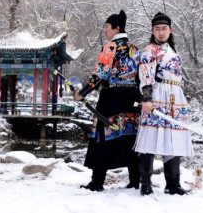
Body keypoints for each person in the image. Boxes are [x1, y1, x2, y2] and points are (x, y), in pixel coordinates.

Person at [74, 10, 143, 191]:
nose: (105, 30)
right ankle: (135, 181)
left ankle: (97, 183)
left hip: (112, 98)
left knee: (103, 136)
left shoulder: (110, 47)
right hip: (133, 98)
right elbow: (141, 77)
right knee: (131, 138)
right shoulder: (135, 49)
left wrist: (82, 93)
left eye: (107, 27)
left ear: (116, 28)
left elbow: (100, 74)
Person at [134, 12, 192, 196]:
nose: (161, 32)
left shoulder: (172, 50)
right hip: (157, 96)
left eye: (164, 29)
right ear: (153, 31)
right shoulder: (150, 50)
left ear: (170, 30)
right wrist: (147, 99)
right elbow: (146, 76)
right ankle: (145, 183)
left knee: (173, 140)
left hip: (175, 98)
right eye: (157, 29)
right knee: (150, 139)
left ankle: (173, 184)